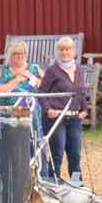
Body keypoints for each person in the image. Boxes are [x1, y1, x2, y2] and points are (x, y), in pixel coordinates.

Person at [37, 37, 91, 185]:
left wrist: (85, 109)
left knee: (75, 155)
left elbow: (80, 91)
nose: (65, 52)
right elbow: (41, 93)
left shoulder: (79, 69)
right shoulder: (52, 71)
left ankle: (76, 185)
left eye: (67, 49)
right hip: (56, 118)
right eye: (62, 49)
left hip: (74, 118)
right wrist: (48, 109)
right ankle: (54, 184)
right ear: (58, 52)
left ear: (73, 51)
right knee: (57, 154)